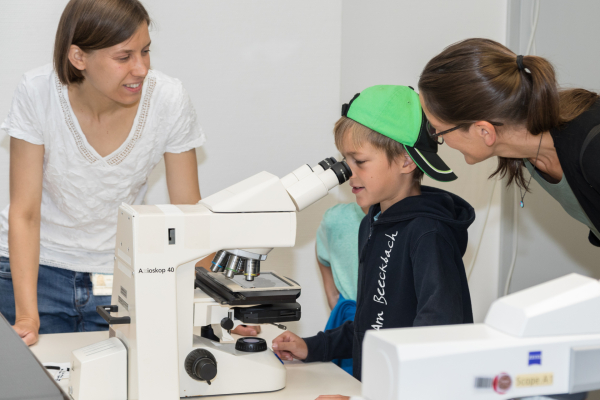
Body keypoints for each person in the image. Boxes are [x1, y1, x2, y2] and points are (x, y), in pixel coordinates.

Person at [0, 0, 257, 346]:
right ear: (78, 57)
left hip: (121, 276)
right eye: (124, 57)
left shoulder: (168, 99)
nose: (141, 69)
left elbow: (188, 213)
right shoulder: (37, 92)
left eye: (146, 52)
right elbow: (25, 213)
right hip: (32, 274)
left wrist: (222, 304)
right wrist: (28, 316)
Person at [272, 85, 475, 399]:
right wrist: (312, 347)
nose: (347, 173)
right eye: (345, 160)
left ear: (407, 161)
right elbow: (371, 323)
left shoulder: (428, 233)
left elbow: (437, 338)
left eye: (360, 161)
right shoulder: (372, 223)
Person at [419, 38, 600, 248]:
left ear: (484, 131)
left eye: (438, 130)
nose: (439, 139)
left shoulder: (593, 147)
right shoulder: (526, 151)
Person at [316, 201, 367, 375]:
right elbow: (322, 254)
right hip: (348, 328)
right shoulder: (335, 218)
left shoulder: (414, 225)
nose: (352, 175)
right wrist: (333, 296)